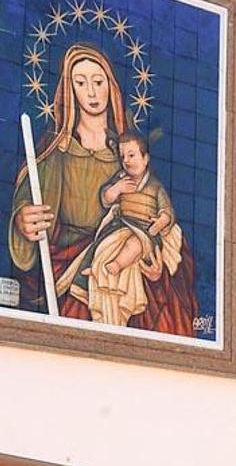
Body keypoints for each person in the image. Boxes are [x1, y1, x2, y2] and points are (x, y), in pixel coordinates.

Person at [9, 43, 198, 336]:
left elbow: (154, 212)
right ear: (69, 90)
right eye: (81, 83)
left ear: (111, 87)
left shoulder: (127, 155)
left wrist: (155, 256)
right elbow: (27, 200)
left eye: (98, 82)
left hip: (123, 253)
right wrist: (23, 219)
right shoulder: (56, 152)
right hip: (70, 263)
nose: (92, 93)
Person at [56, 130, 183, 327]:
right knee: (102, 245)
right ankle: (96, 270)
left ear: (145, 158)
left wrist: (160, 221)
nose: (126, 161)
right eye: (123, 156)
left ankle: (115, 265)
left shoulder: (155, 187)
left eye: (132, 155)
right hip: (122, 224)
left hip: (145, 230)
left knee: (134, 245)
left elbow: (167, 211)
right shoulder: (122, 178)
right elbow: (106, 198)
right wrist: (117, 189)